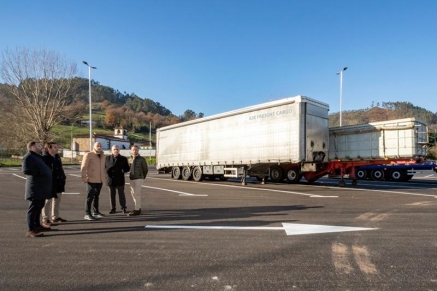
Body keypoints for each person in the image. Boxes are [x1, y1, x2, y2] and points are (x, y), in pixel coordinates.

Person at [22, 141, 54, 237]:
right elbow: (26, 170)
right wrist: (41, 173)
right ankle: (30, 230)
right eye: (38, 146)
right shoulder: (28, 157)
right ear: (32, 147)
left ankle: (37, 226)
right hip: (34, 187)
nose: (41, 147)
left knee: (39, 207)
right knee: (33, 208)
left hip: (41, 188)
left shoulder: (38, 157)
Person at [41, 142, 67, 227]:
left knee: (57, 199)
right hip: (49, 182)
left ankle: (55, 216)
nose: (57, 149)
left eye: (57, 147)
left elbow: (60, 168)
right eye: (55, 147)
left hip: (58, 181)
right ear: (49, 148)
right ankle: (45, 219)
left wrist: (63, 177)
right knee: (47, 201)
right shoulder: (45, 158)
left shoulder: (57, 157)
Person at [80, 142, 106, 220]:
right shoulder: (88, 155)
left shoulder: (103, 155)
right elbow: (84, 167)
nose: (99, 147)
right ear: (94, 147)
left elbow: (104, 167)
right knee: (89, 197)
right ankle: (87, 213)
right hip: (91, 179)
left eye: (100, 145)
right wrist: (84, 177)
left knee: (96, 196)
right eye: (97, 145)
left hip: (100, 179)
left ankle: (96, 211)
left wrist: (105, 176)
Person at [105, 145, 130, 214]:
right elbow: (104, 167)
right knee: (111, 195)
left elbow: (127, 168)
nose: (116, 150)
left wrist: (122, 170)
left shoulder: (123, 158)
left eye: (117, 149)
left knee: (121, 195)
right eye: (114, 149)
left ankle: (123, 208)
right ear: (111, 150)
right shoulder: (107, 158)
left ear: (119, 150)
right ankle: (113, 208)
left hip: (119, 179)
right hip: (110, 180)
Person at [127, 145, 148, 216]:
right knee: (133, 194)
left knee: (137, 194)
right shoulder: (129, 159)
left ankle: (137, 209)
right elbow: (129, 168)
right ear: (131, 150)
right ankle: (138, 207)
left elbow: (145, 169)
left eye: (136, 150)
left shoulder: (141, 159)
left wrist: (142, 177)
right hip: (132, 178)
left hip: (138, 178)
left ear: (138, 150)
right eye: (133, 150)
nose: (134, 151)